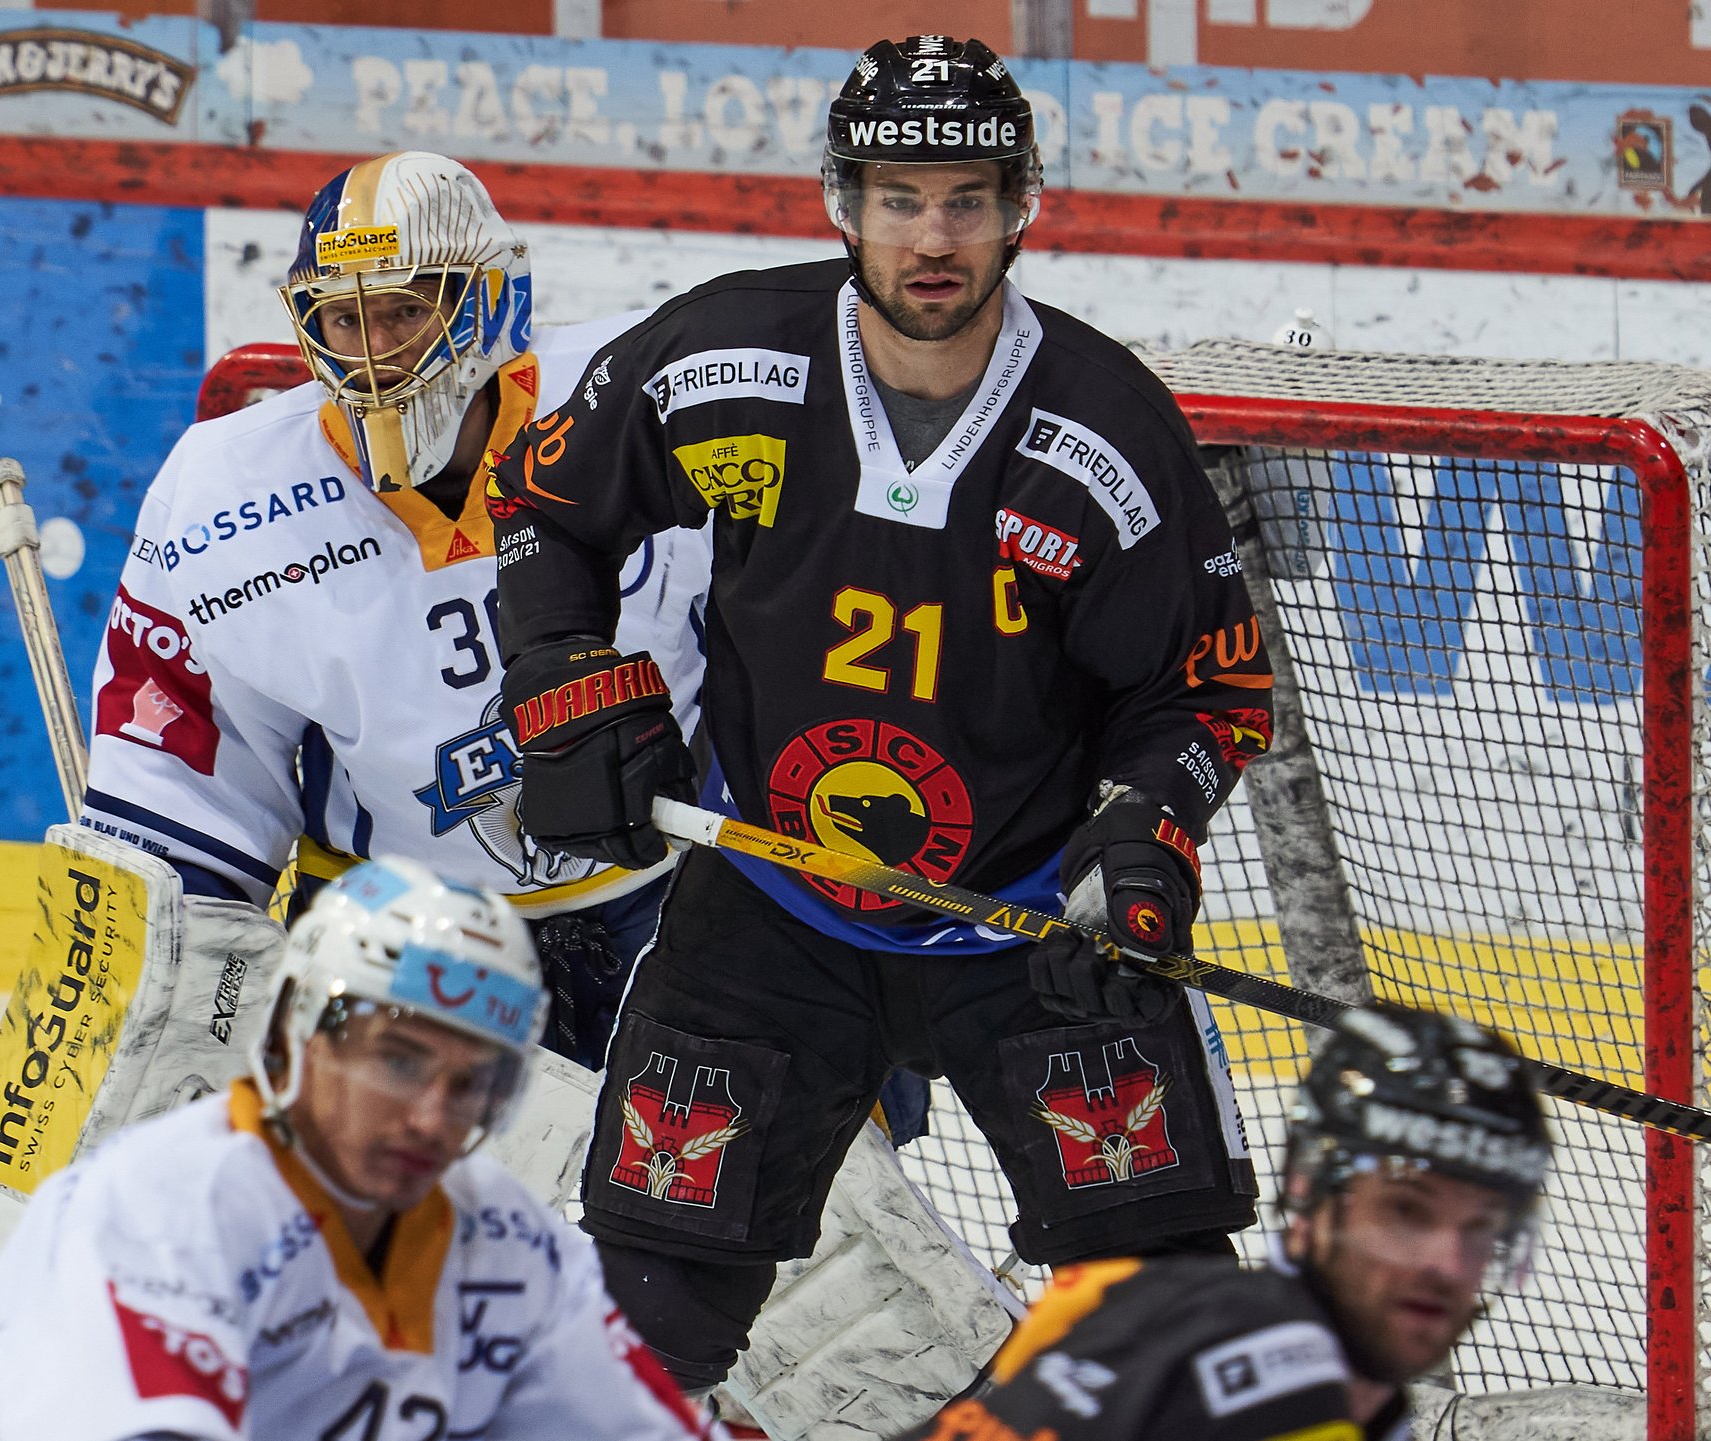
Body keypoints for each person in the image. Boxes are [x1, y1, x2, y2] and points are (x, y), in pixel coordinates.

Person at [488, 33, 1276, 1402]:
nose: (933, 237)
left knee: (1171, 1340)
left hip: (1030, 925)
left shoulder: (1107, 429)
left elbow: (1202, 687)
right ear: (841, 203)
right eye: (899, 198)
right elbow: (545, 510)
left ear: (1022, 206)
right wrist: (564, 682)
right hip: (769, 902)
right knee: (633, 1330)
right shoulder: (725, 356)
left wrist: (1145, 833)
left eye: (967, 199)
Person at [77, 150, 708, 1073]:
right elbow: (186, 768)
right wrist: (178, 972)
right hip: (396, 939)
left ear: (492, 299)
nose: (374, 352)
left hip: (679, 903)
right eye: (345, 318)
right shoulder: (225, 492)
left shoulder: (652, 400)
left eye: (407, 311)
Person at [0, 858, 721, 1441]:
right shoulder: (168, 1203)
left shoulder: (504, 1240)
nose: (433, 1116)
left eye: (474, 1079)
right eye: (399, 1060)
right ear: (296, 1035)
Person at [894, 1002, 1554, 1440]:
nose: (1446, 1262)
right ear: (1312, 1195)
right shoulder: (1276, 1396)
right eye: (1406, 1210)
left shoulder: (1140, 1299)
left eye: (1483, 1227)